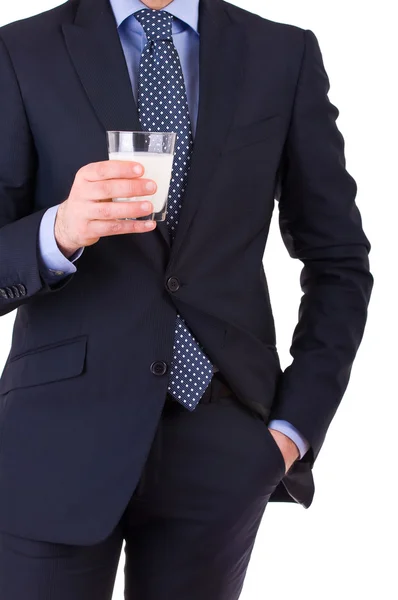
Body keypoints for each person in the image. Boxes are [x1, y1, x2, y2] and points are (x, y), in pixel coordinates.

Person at [0, 0, 373, 598]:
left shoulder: (283, 53)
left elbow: (339, 261)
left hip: (223, 442)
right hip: (54, 442)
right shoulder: (21, 50)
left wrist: (292, 432)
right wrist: (59, 231)